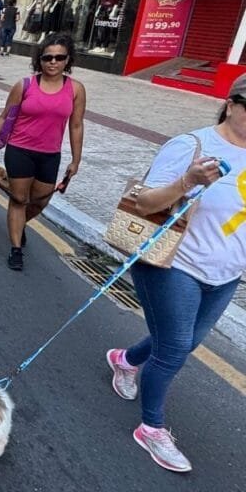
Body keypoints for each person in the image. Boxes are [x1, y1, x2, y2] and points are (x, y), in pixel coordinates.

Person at [104, 75, 246, 474]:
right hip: (174, 264)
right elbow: (145, 201)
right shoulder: (193, 145)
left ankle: (126, 360)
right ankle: (151, 427)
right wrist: (187, 182)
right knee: (174, 348)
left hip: (226, 273)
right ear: (231, 104)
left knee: (184, 341)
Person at [0, 33, 85, 271]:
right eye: (48, 57)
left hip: (50, 155)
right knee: (18, 199)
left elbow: (76, 125)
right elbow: (5, 117)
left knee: (41, 201)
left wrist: (76, 160)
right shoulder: (24, 85)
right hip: (19, 150)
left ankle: (19, 224)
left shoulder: (75, 89)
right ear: (40, 59)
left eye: (59, 57)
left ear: (68, 60)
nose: (53, 62)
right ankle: (16, 248)